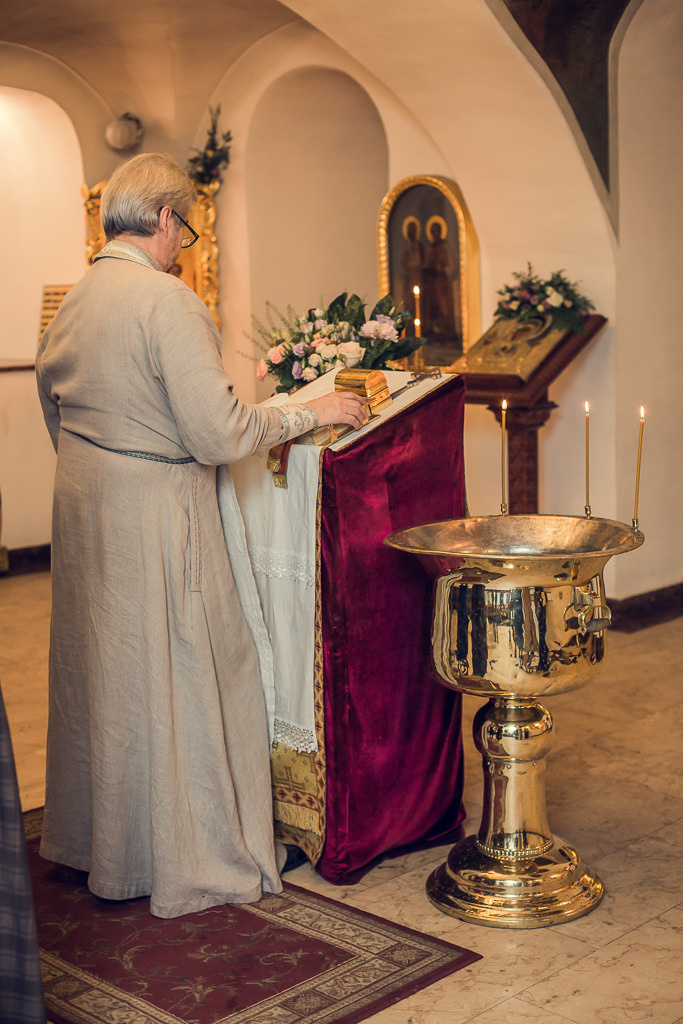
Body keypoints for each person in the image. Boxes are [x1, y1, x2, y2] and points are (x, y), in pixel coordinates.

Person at [35, 152, 367, 919]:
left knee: (112, 676)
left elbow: (53, 407)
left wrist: (106, 471)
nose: (183, 241)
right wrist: (309, 413)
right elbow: (218, 433)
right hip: (158, 507)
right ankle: (196, 850)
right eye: (182, 224)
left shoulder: (78, 295)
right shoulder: (166, 300)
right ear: (161, 219)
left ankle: (107, 843)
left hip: (87, 503)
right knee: (192, 669)